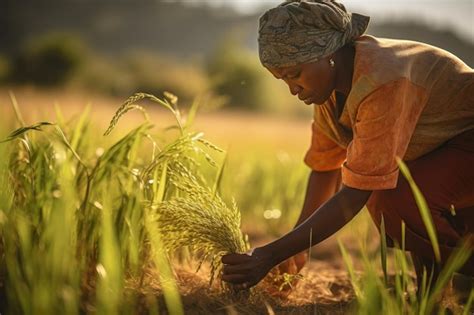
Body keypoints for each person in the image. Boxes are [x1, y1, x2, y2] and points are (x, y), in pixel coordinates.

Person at [221, 0, 474, 292]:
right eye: (282, 79)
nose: (292, 89)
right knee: (405, 200)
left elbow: (357, 193)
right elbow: (324, 168)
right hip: (449, 151)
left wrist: (271, 253)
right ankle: (430, 299)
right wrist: (295, 250)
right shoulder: (329, 93)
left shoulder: (382, 81)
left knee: (397, 201)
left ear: (327, 54)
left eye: (294, 74)